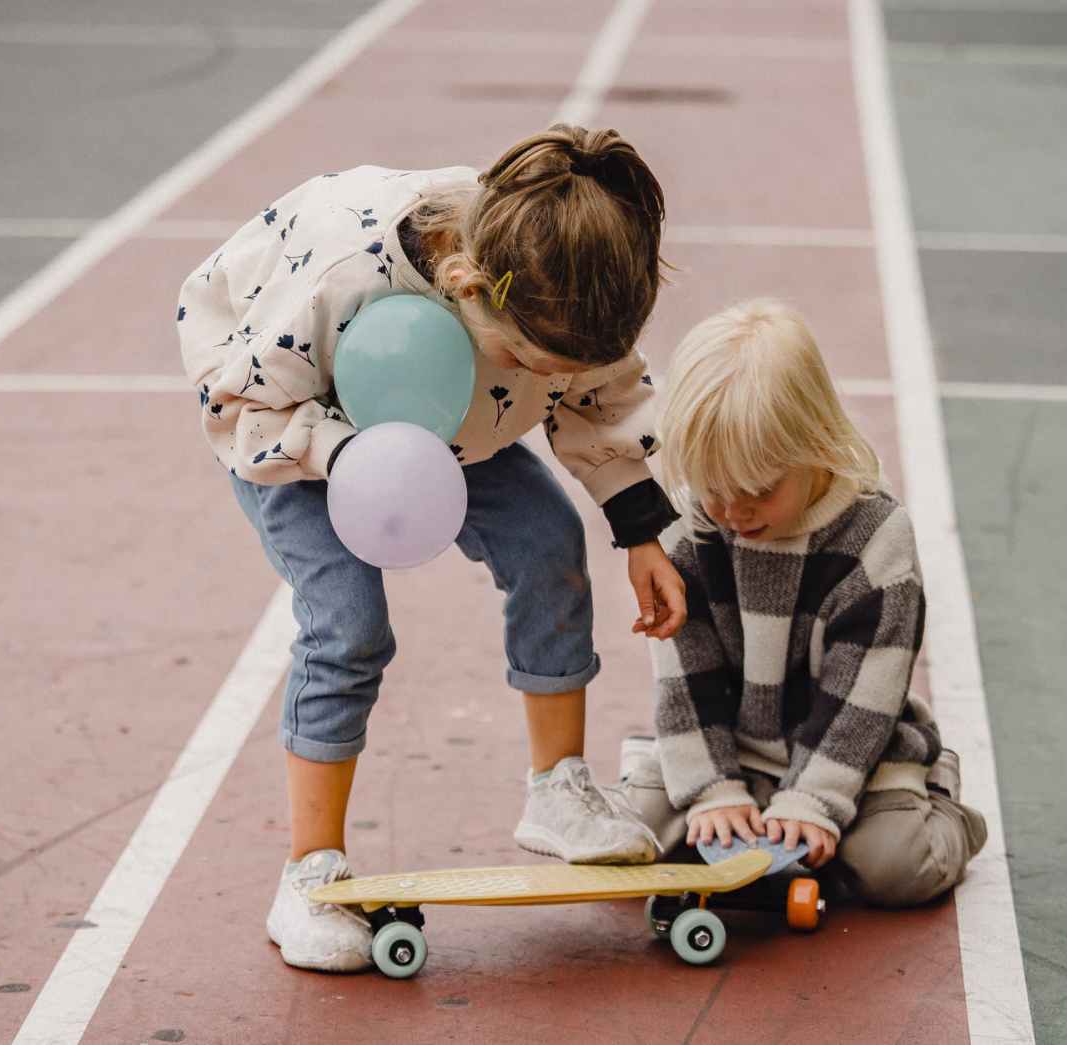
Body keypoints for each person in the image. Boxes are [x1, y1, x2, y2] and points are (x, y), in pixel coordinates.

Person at [176, 125, 687, 972]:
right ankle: (309, 873)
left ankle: (558, 791)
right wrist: (353, 459)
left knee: (548, 540)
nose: (547, 375)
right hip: (299, 427)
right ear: (465, 284)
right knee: (348, 628)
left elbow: (599, 395)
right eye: (529, 358)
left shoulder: (566, 270)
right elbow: (242, 407)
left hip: (452, 421)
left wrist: (638, 532)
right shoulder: (340, 276)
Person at [617, 298, 987, 908]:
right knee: (636, 836)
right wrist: (712, 789)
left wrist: (814, 800)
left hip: (853, 751)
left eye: (759, 491)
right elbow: (685, 672)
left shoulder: (875, 540)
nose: (735, 513)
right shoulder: (690, 525)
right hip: (732, 745)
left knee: (895, 866)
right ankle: (748, 813)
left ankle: (938, 801)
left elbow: (864, 695)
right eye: (715, 489)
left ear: (813, 444)